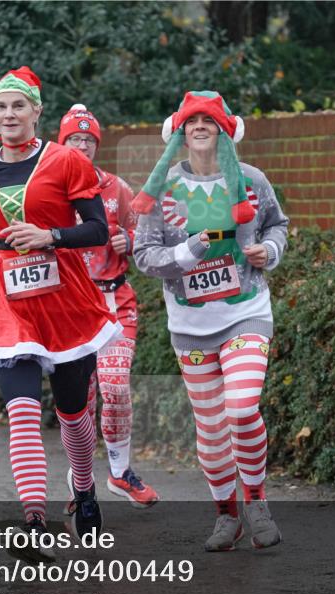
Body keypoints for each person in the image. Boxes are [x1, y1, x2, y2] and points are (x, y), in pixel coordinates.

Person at [0, 67, 120, 562]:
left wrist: (50, 236)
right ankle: (33, 520)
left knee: (72, 410)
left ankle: (84, 489)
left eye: (18, 106)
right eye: (1, 107)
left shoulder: (67, 161)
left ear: (36, 112)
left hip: (64, 295)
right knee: (21, 410)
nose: (9, 115)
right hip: (8, 300)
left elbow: (97, 231)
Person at [132, 91, 289, 552]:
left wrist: (270, 251)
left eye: (210, 120)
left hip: (246, 312)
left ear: (225, 130)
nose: (200, 126)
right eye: (192, 120)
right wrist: (188, 251)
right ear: (179, 132)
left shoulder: (254, 181)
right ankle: (226, 514)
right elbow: (144, 256)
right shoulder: (160, 190)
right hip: (191, 326)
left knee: (240, 410)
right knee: (212, 427)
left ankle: (256, 500)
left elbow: (277, 225)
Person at [56, 103, 159, 509]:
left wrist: (129, 243)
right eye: (74, 138)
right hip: (69, 307)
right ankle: (80, 483)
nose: (81, 145)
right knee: (80, 399)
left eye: (88, 139)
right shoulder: (48, 187)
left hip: (115, 300)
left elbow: (146, 241)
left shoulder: (117, 189)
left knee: (115, 386)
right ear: (61, 143)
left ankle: (119, 472)